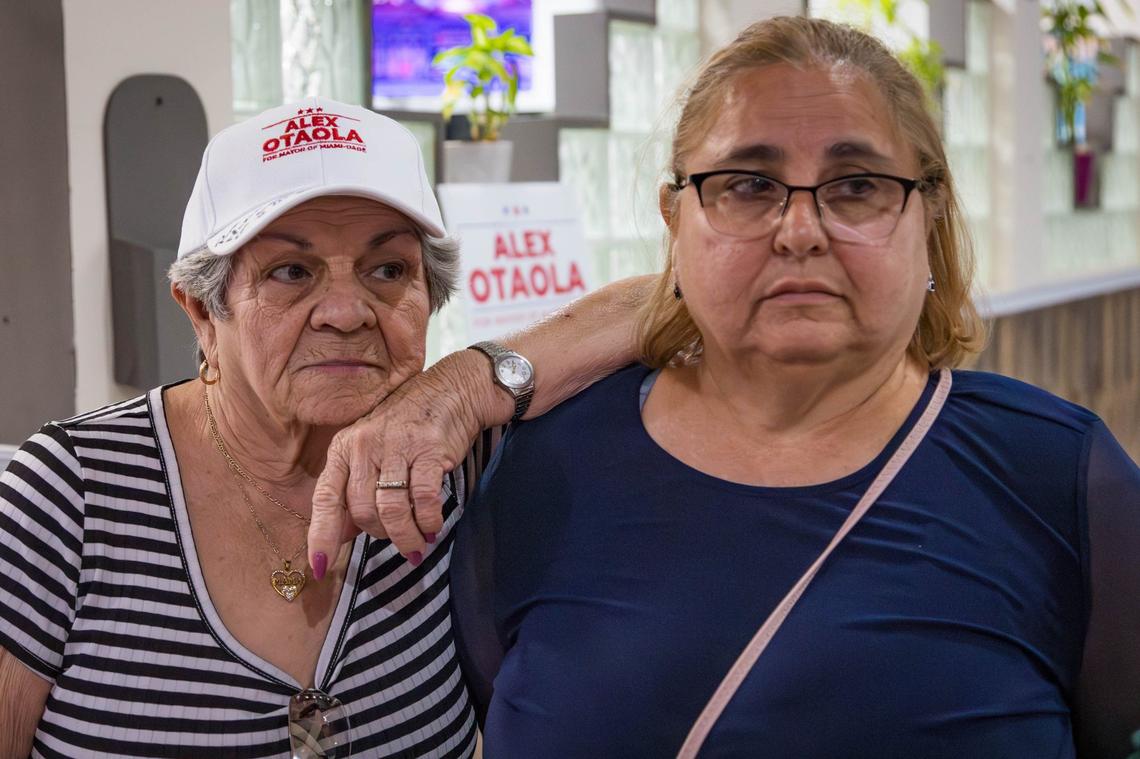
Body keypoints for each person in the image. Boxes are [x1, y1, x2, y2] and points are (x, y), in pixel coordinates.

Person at [309, 17, 1140, 758]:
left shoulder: (1062, 477)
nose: (802, 230)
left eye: (857, 186)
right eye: (747, 185)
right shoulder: (546, 468)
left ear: (928, 218)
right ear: (676, 219)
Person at [0, 97, 647, 758]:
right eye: (290, 271)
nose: (345, 311)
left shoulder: (452, 462)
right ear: (201, 311)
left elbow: (674, 298)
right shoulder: (70, 494)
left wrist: (466, 380)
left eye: (388, 269)